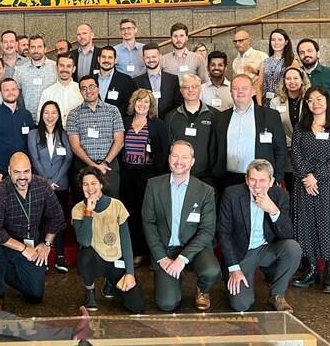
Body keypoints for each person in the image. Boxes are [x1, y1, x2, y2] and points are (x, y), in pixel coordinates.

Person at [142, 141, 220, 312]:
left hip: (195, 249)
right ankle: (172, 281)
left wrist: (182, 259)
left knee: (212, 271)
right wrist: (162, 258)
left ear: (192, 162)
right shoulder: (153, 185)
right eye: (175, 156)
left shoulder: (206, 191)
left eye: (184, 157)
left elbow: (207, 231)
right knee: (167, 304)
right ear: (169, 159)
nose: (179, 161)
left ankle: (202, 289)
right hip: (165, 249)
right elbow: (149, 224)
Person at [217, 159, 301, 313]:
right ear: (246, 179)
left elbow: (288, 234)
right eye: (253, 179)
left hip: (267, 249)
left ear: (271, 181)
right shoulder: (231, 194)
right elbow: (223, 233)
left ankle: (277, 294)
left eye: (262, 180)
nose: (257, 185)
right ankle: (238, 280)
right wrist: (234, 269)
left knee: (293, 248)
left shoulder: (280, 195)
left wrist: (274, 211)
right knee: (241, 305)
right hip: (242, 253)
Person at [291, 86, 330, 295]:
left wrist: (315, 177)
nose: (315, 104)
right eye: (310, 100)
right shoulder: (301, 127)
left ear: (327, 101)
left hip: (327, 184)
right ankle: (312, 269)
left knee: (329, 226)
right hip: (303, 184)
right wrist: (306, 177)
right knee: (305, 225)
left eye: (319, 99)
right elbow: (295, 154)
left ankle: (329, 273)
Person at [0, 153, 65, 309]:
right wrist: (22, 248)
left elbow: (57, 217)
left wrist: (47, 243)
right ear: (9, 171)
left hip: (31, 242)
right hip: (6, 243)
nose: (22, 177)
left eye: (26, 172)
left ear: (31, 170)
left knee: (35, 295)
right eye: (17, 172)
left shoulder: (42, 185)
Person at [71, 167, 145, 313]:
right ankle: (90, 291)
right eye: (85, 184)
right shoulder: (78, 209)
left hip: (115, 259)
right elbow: (84, 241)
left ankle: (110, 283)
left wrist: (130, 273)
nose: (90, 188)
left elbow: (126, 241)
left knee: (137, 305)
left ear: (101, 184)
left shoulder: (117, 205)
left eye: (94, 183)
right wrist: (89, 212)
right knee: (85, 254)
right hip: (95, 260)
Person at [211, 75, 288, 194]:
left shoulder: (270, 116)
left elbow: (280, 149)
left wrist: (277, 177)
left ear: (253, 91)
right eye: (236, 88)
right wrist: (215, 174)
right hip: (226, 180)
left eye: (244, 88)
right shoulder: (220, 118)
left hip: (259, 181)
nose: (240, 92)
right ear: (230, 92)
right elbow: (213, 149)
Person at [119, 89, 169, 265]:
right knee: (129, 213)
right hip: (126, 173)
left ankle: (149, 252)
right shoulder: (124, 122)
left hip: (148, 174)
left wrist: (158, 173)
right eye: (139, 101)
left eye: (146, 101)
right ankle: (134, 250)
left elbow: (163, 151)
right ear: (134, 103)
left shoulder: (158, 124)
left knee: (146, 213)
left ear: (151, 105)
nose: (142, 105)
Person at [27, 101, 72, 273]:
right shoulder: (33, 134)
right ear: (41, 114)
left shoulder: (64, 134)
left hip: (60, 184)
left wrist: (55, 179)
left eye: (54, 112)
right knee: (40, 220)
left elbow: (68, 159)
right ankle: (41, 257)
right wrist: (46, 181)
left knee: (58, 220)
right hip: (40, 184)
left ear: (59, 115)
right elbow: (34, 159)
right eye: (47, 112)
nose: (50, 116)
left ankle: (60, 256)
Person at [66, 75, 125, 199]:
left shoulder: (113, 111)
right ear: (80, 92)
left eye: (91, 87)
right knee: (85, 205)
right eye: (84, 89)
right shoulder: (74, 114)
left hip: (109, 167)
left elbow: (119, 141)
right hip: (84, 167)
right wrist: (93, 165)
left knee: (112, 204)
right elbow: (75, 146)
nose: (88, 91)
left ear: (98, 88)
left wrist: (105, 163)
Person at [0, 78, 34, 188]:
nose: (10, 92)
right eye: (6, 90)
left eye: (13, 89)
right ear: (0, 93)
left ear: (18, 91)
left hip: (21, 173)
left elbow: (31, 144)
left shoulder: (26, 115)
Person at [165, 74, 217, 185]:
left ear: (200, 89)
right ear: (181, 91)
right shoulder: (171, 117)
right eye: (186, 87)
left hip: (206, 177)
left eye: (194, 86)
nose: (190, 90)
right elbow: (166, 146)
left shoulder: (214, 115)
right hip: (178, 175)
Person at [267, 66, 309, 192]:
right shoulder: (275, 102)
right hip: (286, 151)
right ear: (284, 81)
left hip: (305, 152)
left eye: (295, 78)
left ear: (302, 80)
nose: (292, 81)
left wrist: (298, 142)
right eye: (288, 78)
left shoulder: (309, 100)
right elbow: (273, 126)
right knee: (290, 186)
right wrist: (286, 141)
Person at [296, 38, 330, 125]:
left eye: (309, 51)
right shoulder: (295, 75)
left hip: (326, 126)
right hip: (301, 126)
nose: (306, 54)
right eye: (302, 52)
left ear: (318, 53)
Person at [13, 35, 57, 122]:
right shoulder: (20, 71)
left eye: (39, 47)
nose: (36, 50)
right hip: (28, 119)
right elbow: (15, 95)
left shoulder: (55, 68)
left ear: (45, 49)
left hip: (51, 120)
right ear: (29, 49)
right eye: (33, 47)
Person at [133, 44, 182, 118]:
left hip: (168, 121)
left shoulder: (172, 79)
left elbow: (178, 103)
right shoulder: (136, 81)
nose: (151, 60)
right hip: (146, 122)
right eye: (147, 57)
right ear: (143, 59)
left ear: (160, 57)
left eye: (154, 57)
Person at [255, 28, 299, 105]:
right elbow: (259, 87)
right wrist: (259, 106)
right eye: (273, 40)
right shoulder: (265, 62)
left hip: (284, 102)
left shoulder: (292, 62)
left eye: (280, 40)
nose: (276, 42)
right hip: (266, 102)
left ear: (286, 42)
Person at [37, 53, 83, 125]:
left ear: (74, 69)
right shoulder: (47, 93)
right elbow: (40, 119)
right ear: (56, 67)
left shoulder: (82, 91)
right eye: (61, 65)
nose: (65, 69)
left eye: (68, 66)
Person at [95, 46, 135, 118]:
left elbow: (128, 105)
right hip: (93, 122)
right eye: (103, 57)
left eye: (110, 57)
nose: (106, 60)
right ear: (98, 59)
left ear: (115, 60)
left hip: (117, 122)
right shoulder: (91, 80)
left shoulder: (126, 81)